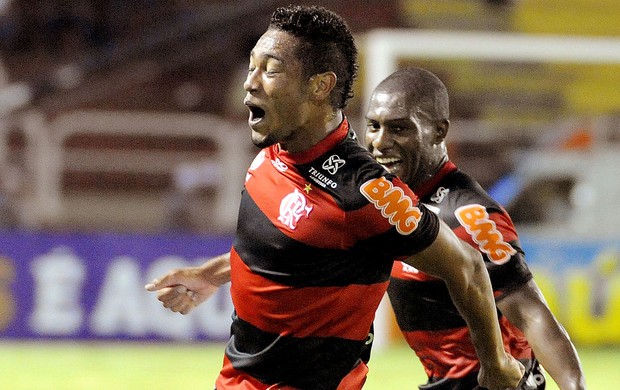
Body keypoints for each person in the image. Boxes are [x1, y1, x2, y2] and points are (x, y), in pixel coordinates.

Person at [145, 5, 524, 390]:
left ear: (320, 86)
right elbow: (293, 249)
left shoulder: (363, 193)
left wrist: (494, 364)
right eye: (251, 67)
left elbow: (467, 267)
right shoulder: (275, 153)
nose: (250, 82)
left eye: (270, 70)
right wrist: (210, 275)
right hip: (238, 378)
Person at [364, 66, 586, 390]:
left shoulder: (467, 215)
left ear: (439, 132)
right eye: (374, 126)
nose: (380, 142)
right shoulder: (389, 200)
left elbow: (530, 312)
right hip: (445, 381)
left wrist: (575, 387)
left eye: (398, 128)